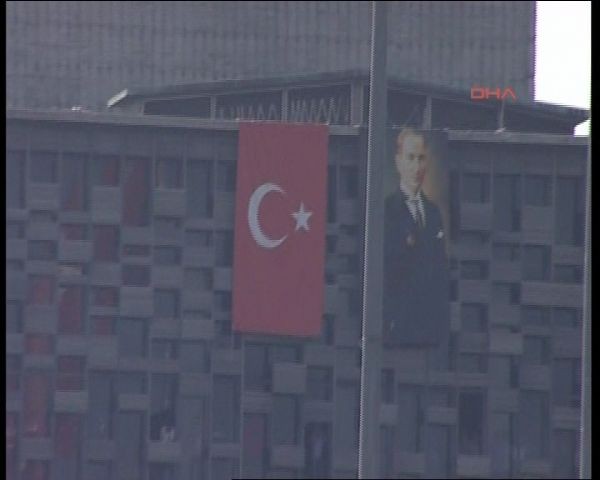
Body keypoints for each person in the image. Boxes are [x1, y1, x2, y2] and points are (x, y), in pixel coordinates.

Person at [383, 128, 450, 347]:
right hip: (398, 326)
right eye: (410, 158)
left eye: (421, 159)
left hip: (430, 327)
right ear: (398, 162)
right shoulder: (385, 211)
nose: (416, 167)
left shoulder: (433, 212)